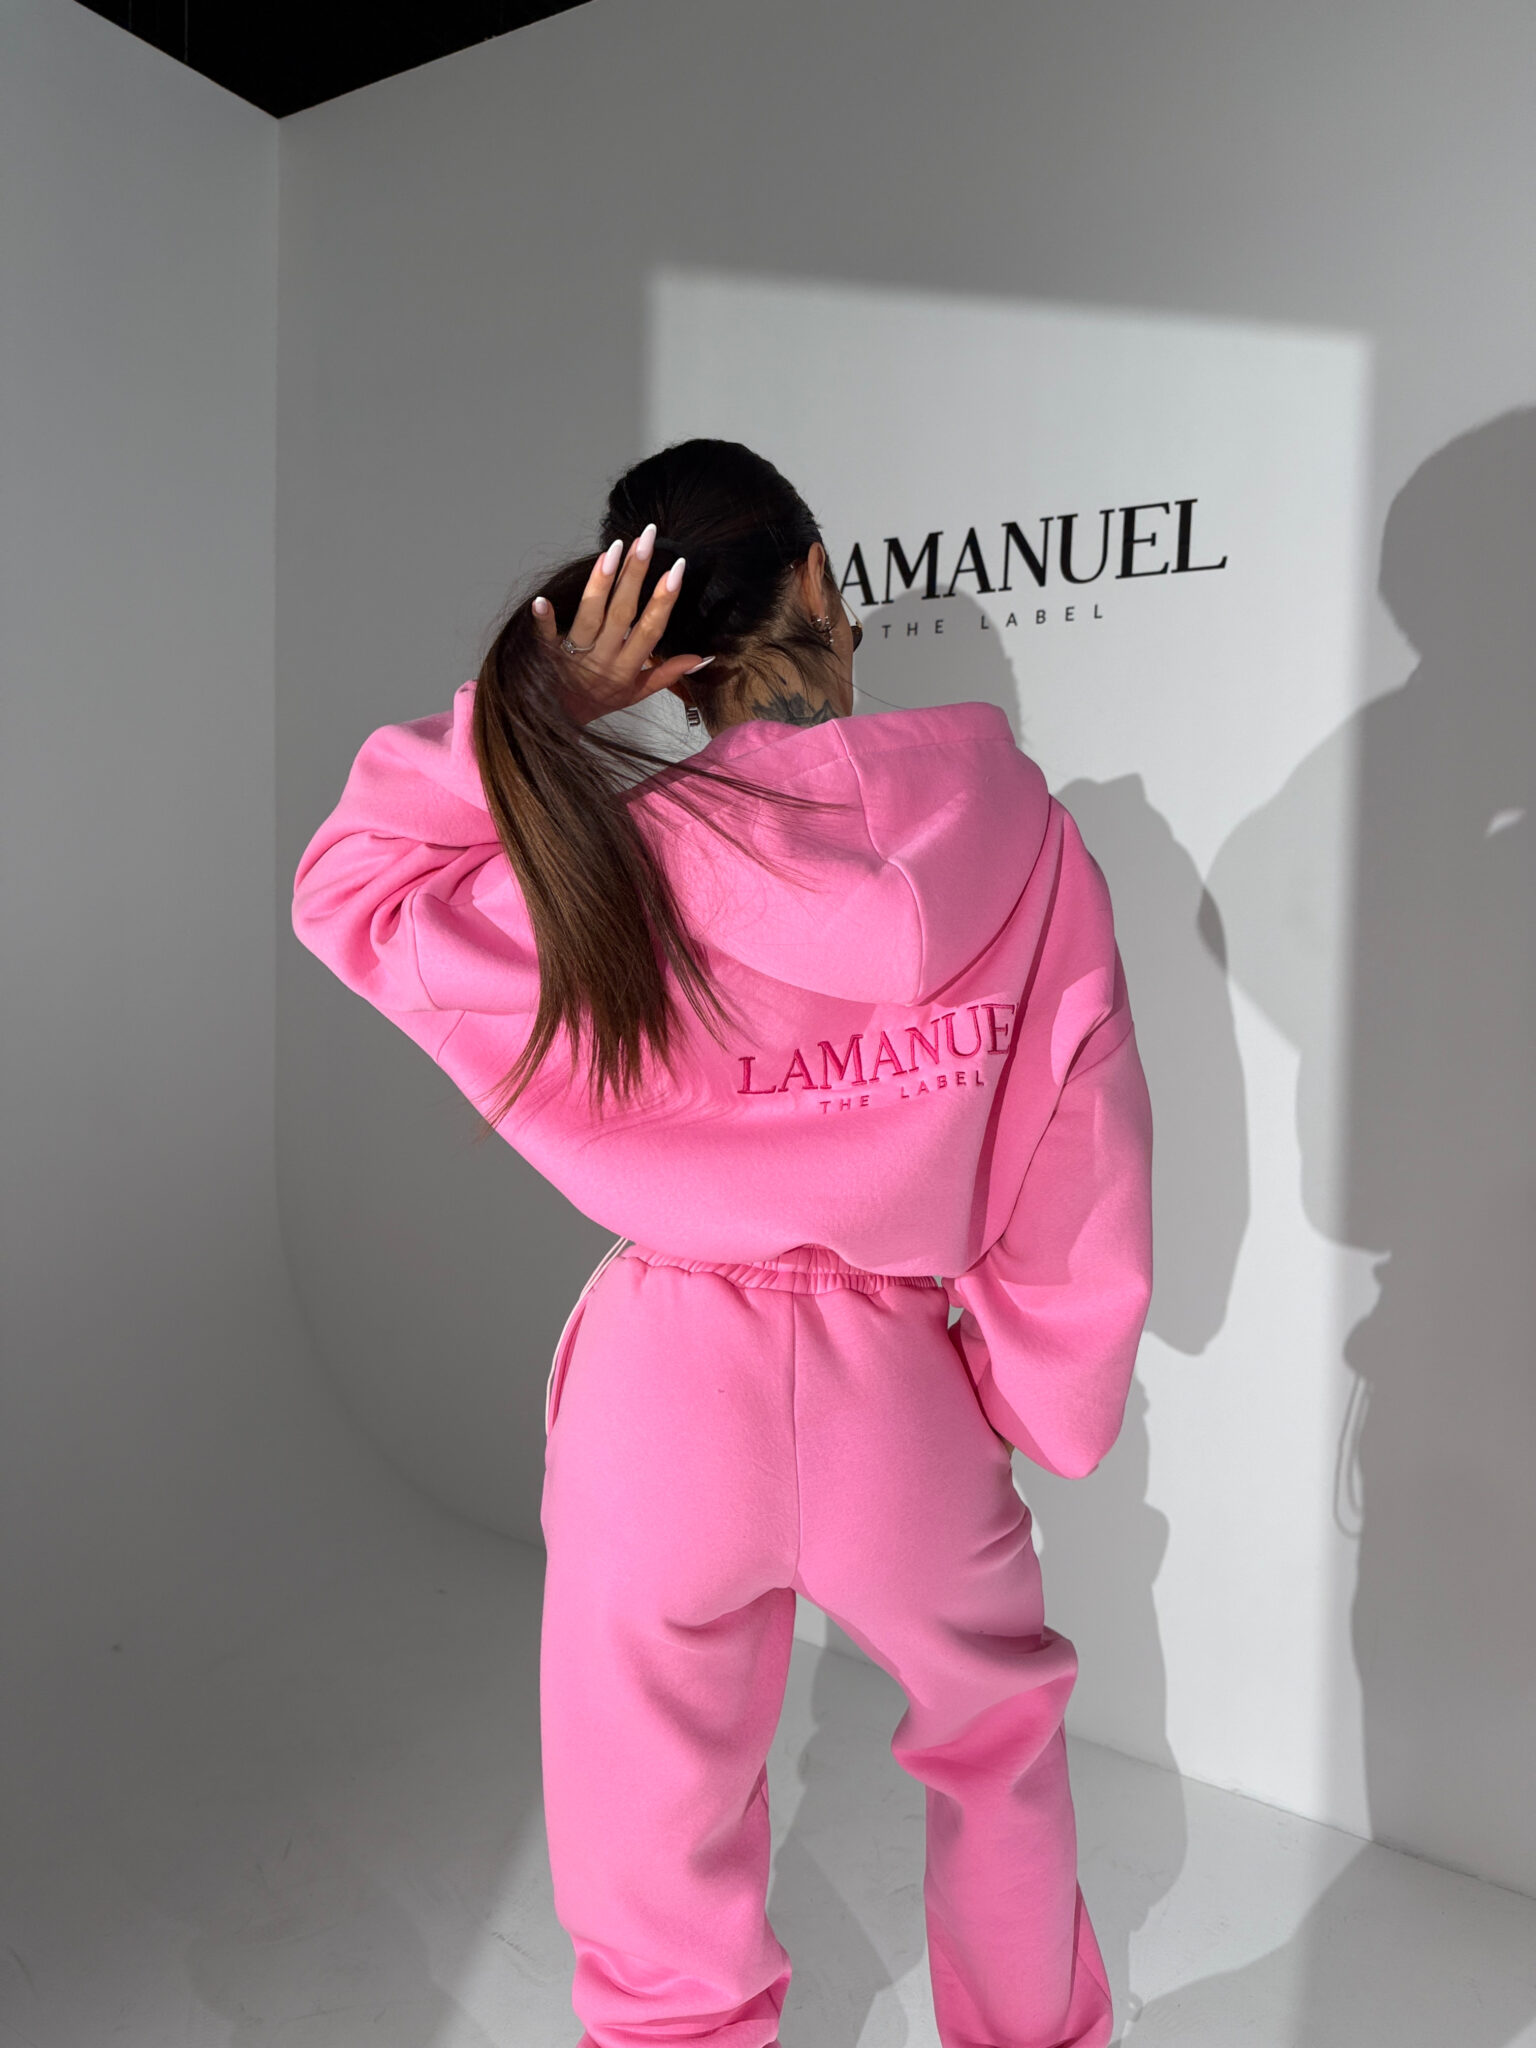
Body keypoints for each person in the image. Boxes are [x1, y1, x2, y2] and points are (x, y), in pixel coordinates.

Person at [291, 436, 1154, 2048]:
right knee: (999, 1746)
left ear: (668, 663)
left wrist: (535, 711)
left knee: (647, 1803)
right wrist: (1040, 1392)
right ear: (822, 582)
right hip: (902, 1380)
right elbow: (1080, 1130)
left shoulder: (611, 873)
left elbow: (353, 893)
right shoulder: (1029, 841)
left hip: (665, 1390)